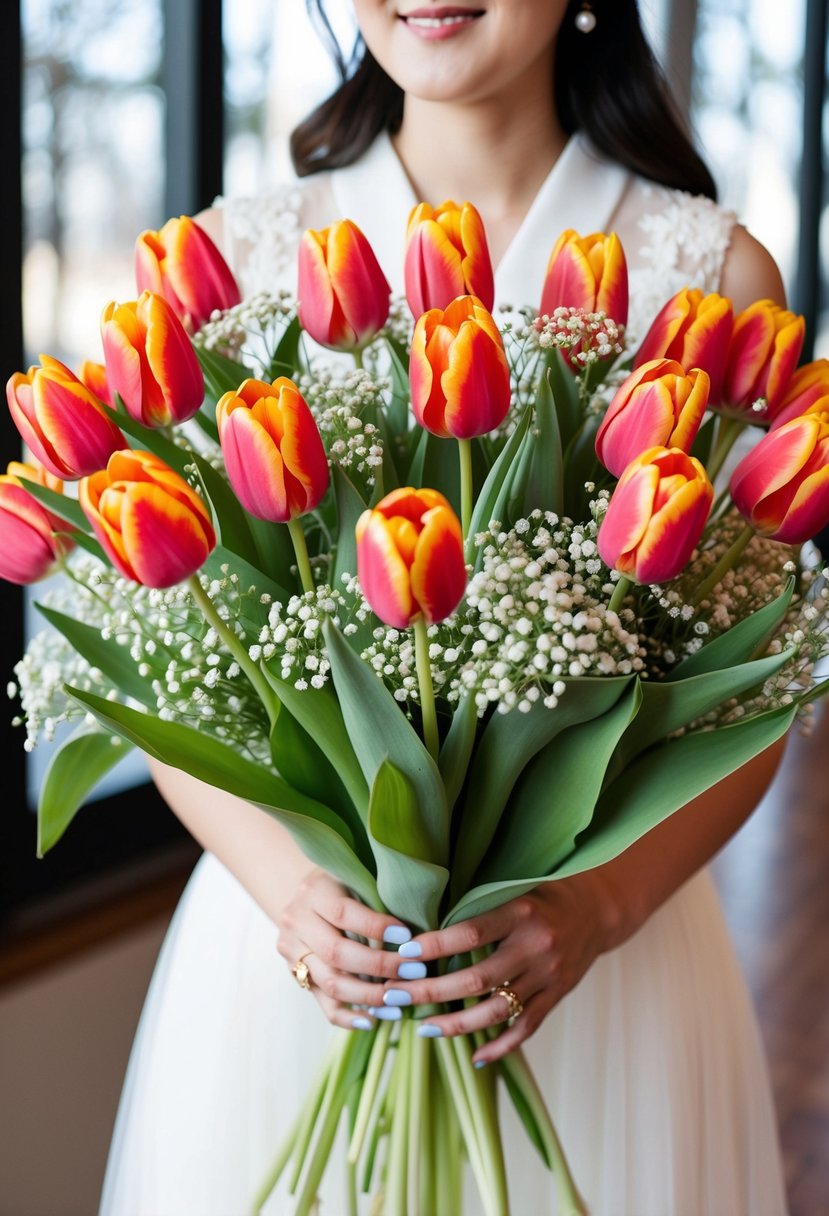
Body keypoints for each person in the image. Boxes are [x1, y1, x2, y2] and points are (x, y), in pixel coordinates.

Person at [100, 2, 791, 1213]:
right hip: (298, 967)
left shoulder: (709, 276)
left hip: (587, 972)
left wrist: (600, 905)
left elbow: (760, 692)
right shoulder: (233, 265)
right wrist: (284, 891)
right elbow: (171, 669)